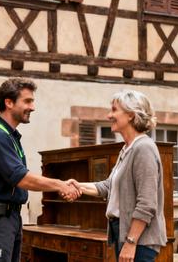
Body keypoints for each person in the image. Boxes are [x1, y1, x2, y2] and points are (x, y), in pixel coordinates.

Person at [0, 78, 82, 262]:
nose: (33, 107)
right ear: (8, 102)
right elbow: (22, 179)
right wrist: (61, 185)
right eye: (27, 101)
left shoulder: (9, 136)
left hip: (10, 217)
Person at [69, 90, 168, 262]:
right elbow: (108, 187)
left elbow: (147, 203)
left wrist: (131, 242)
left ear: (130, 115)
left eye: (114, 110)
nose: (109, 115)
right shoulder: (127, 149)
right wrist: (77, 186)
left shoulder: (143, 148)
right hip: (123, 233)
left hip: (139, 240)